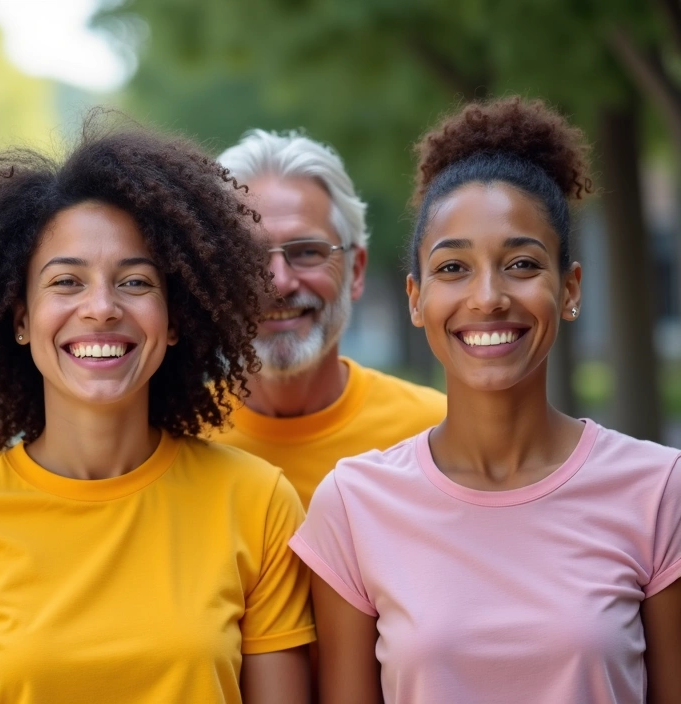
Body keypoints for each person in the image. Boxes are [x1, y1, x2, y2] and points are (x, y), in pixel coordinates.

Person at [0, 117, 315, 703]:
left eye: (136, 282)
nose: (101, 308)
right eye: (67, 282)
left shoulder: (256, 502)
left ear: (175, 320)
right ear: (20, 319)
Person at [290, 97, 681, 703]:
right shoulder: (354, 506)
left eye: (521, 263)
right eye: (454, 269)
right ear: (416, 299)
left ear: (569, 288)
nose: (489, 297)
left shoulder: (659, 492)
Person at [214, 131, 446, 507]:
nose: (278, 283)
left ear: (356, 270)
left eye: (306, 251)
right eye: (247, 256)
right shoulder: (172, 440)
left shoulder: (437, 437)